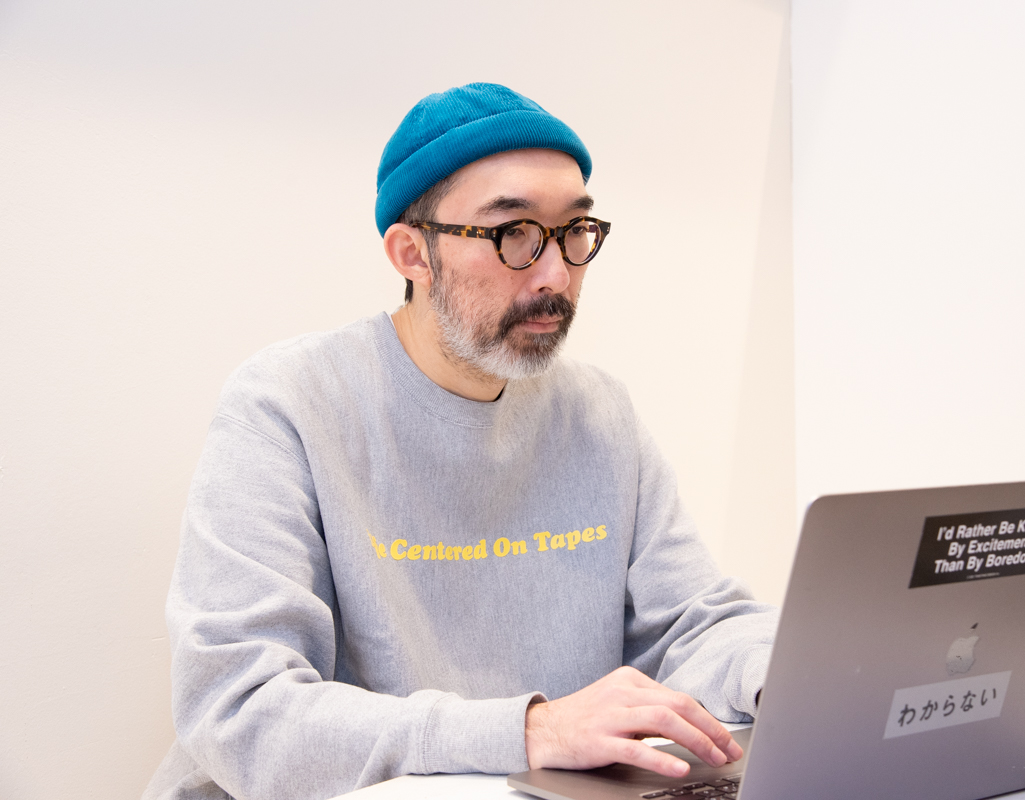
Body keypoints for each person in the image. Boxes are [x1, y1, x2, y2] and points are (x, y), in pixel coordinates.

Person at [144, 83, 778, 800]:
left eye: (574, 230)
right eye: (514, 234)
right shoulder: (287, 403)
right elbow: (240, 708)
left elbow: (696, 624)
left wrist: (787, 675)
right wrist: (527, 732)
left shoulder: (599, 414)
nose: (556, 275)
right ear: (412, 254)